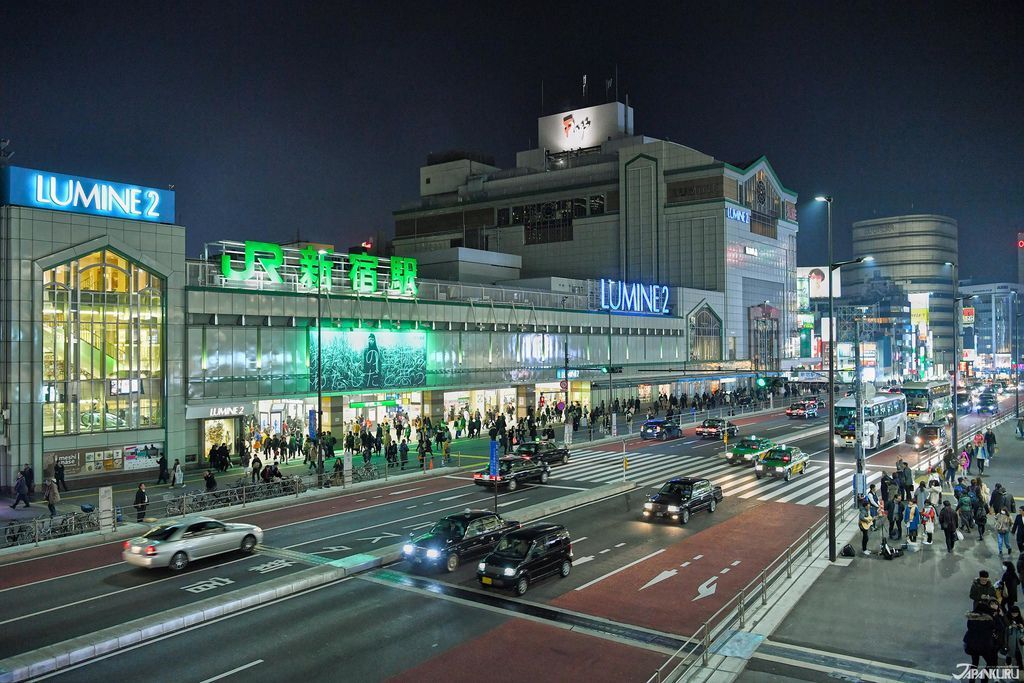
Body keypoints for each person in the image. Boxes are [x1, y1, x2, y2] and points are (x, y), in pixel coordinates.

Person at [964, 604, 1000, 669]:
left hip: (972, 644)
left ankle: (972, 678)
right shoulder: (988, 620)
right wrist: (995, 616)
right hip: (984, 645)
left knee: (974, 662)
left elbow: (969, 627)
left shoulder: (971, 619)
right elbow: (998, 627)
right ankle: (984, 678)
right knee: (990, 663)